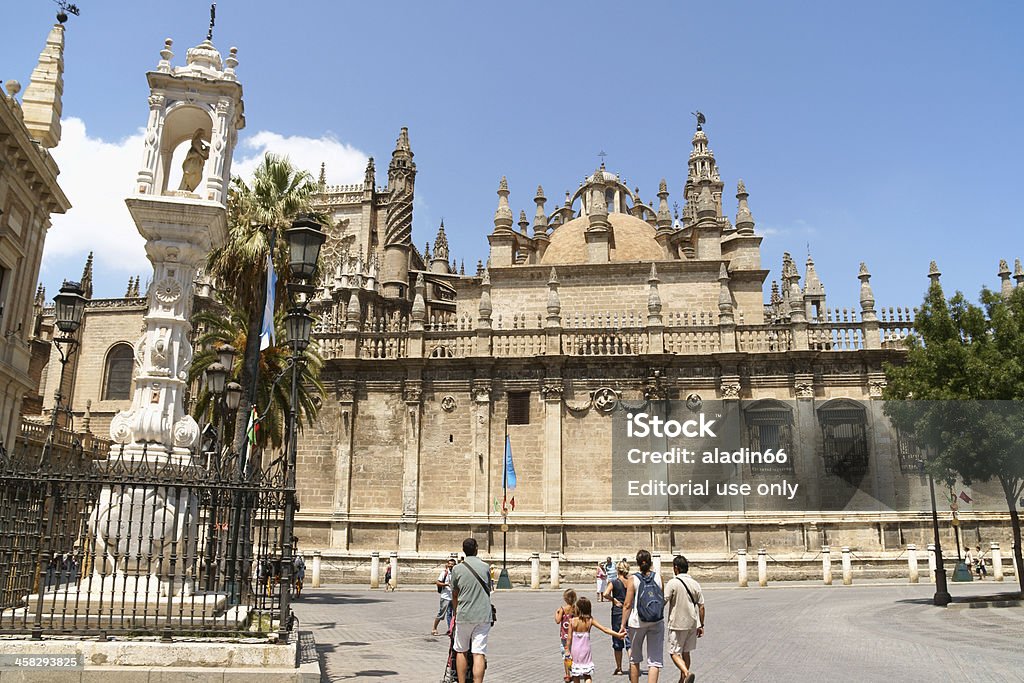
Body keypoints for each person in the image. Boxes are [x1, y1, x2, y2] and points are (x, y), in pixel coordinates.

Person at [451, 537, 492, 683]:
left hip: (464, 614)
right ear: (476, 549)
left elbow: (454, 593)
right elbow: (489, 588)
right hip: (483, 615)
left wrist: (456, 611)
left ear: (463, 550)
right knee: (479, 653)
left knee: (461, 650)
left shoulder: (457, 569)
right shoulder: (485, 567)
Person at [622, 549, 664, 683]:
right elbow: (661, 598)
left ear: (638, 563)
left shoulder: (632, 579)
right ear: (651, 561)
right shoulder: (659, 577)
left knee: (634, 658)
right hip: (656, 621)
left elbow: (627, 604)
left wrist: (622, 624)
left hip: (637, 622)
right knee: (655, 661)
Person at [664, 555, 705, 683]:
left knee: (674, 653)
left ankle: (687, 673)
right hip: (692, 623)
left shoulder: (673, 582)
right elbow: (702, 606)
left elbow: (663, 601)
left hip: (677, 623)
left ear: (676, 568)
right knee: (686, 653)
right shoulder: (695, 583)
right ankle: (682, 681)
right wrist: (701, 625)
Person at [567, 597, 627, 682]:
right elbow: (605, 629)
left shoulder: (572, 621)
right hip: (585, 649)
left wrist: (567, 649)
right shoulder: (590, 620)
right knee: (587, 675)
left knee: (576, 674)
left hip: (575, 650)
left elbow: (569, 637)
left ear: (578, 609)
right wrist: (618, 635)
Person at [602, 560, 632, 676]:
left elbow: (605, 594)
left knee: (617, 639)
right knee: (630, 640)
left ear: (617, 570)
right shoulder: (630, 582)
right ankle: (632, 665)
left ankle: (619, 668)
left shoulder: (614, 582)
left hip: (617, 613)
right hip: (629, 611)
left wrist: (614, 600)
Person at [554, 589, 578, 682]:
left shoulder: (562, 609)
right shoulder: (575, 609)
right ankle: (575, 671)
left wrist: (556, 613)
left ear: (565, 598)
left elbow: (557, 621)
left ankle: (567, 674)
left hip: (564, 636)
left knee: (566, 655)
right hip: (574, 635)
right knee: (574, 654)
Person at [433, 557, 456, 635]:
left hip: (453, 597)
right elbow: (438, 582)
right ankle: (434, 628)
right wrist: (446, 584)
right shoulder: (444, 573)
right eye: (449, 564)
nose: (450, 566)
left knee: (451, 614)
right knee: (441, 613)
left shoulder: (455, 573)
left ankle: (450, 629)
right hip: (445, 596)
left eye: (452, 564)